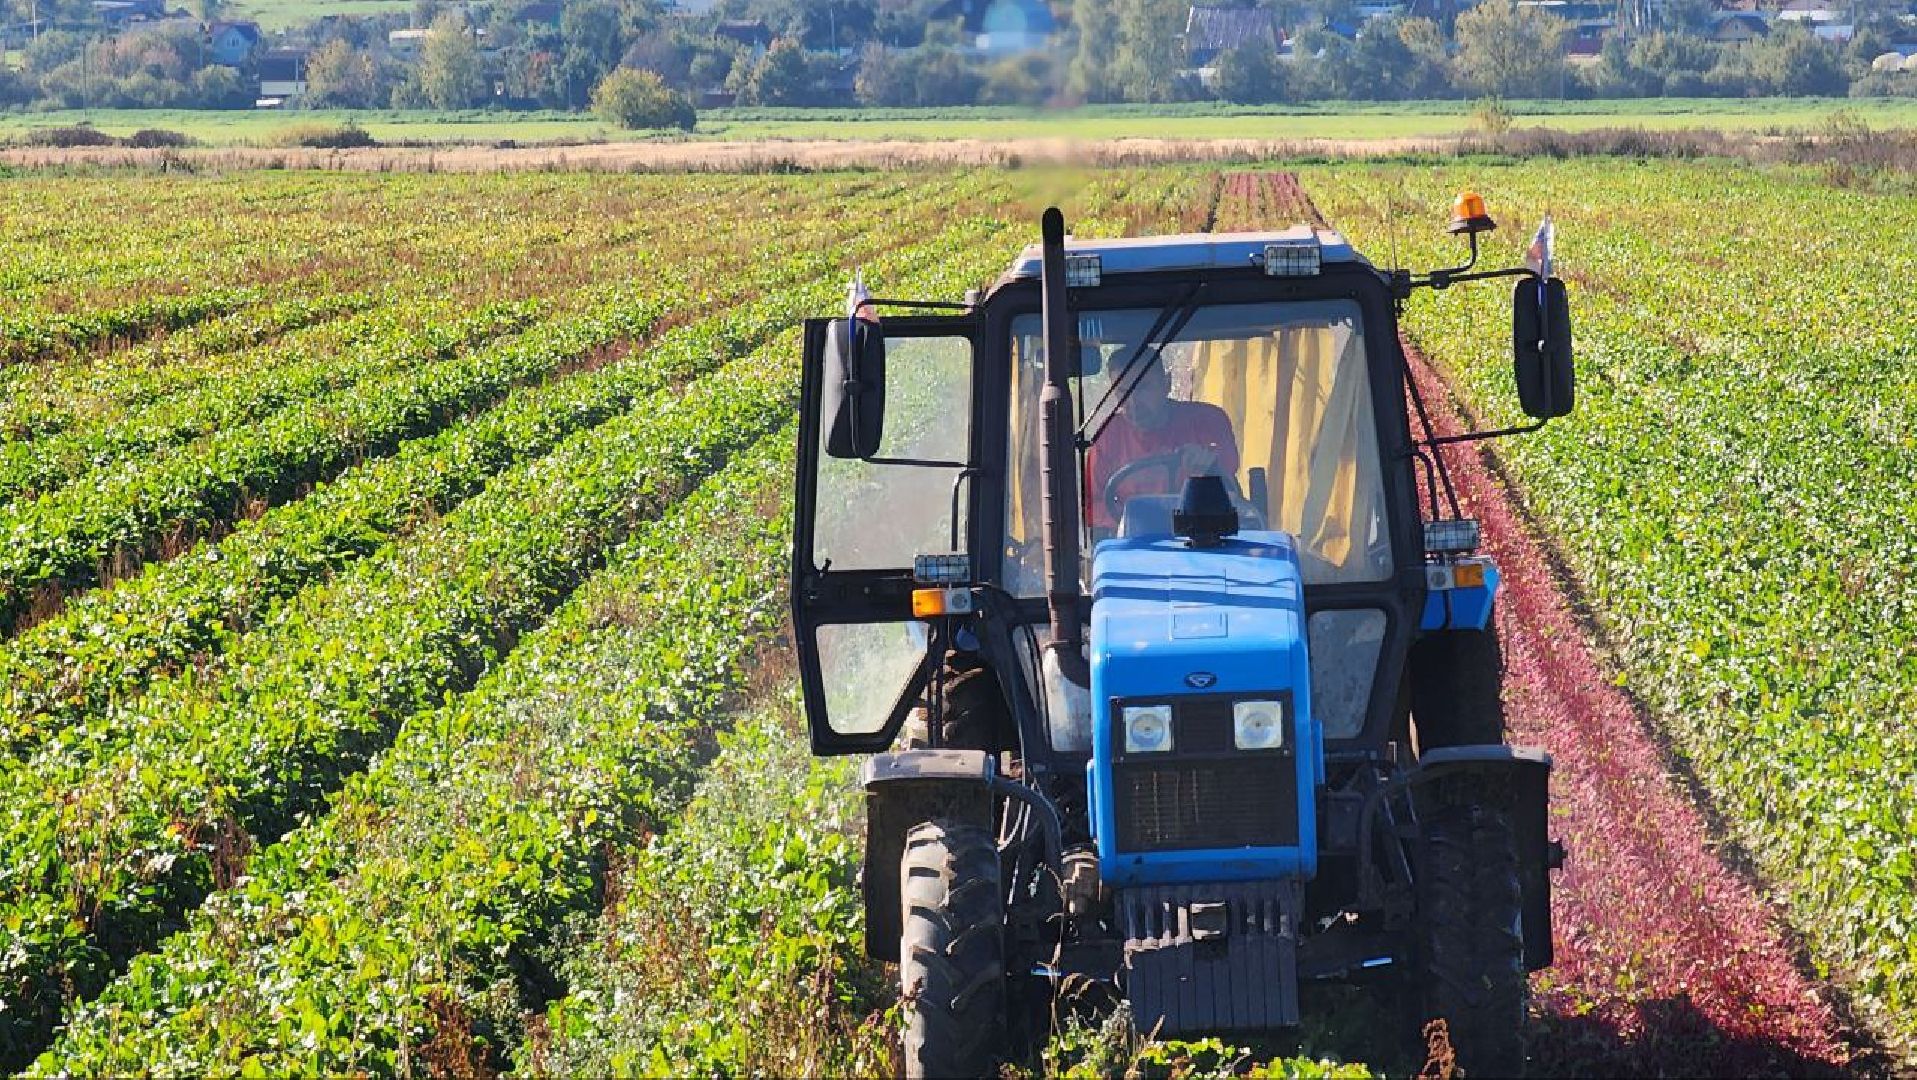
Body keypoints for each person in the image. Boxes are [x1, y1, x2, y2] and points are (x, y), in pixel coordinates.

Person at [1086, 359, 1240, 529]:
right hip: (1136, 543)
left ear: (1167, 384)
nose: (1133, 403)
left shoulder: (1207, 421)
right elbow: (1092, 504)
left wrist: (1208, 466)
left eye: (1143, 388)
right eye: (1123, 392)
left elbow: (1229, 474)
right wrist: (1128, 521)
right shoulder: (1108, 435)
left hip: (1203, 533)